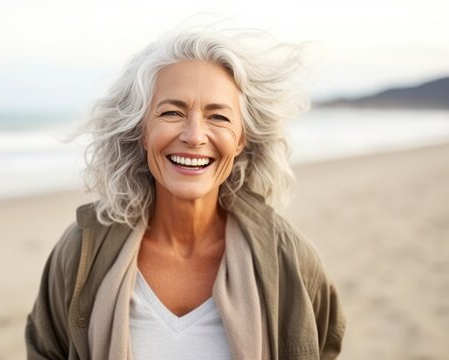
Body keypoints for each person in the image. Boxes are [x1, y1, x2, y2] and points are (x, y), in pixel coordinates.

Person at [26, 28, 345, 360]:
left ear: (240, 141)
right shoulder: (82, 251)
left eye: (218, 116)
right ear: (142, 131)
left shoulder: (288, 259)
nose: (194, 136)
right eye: (171, 112)